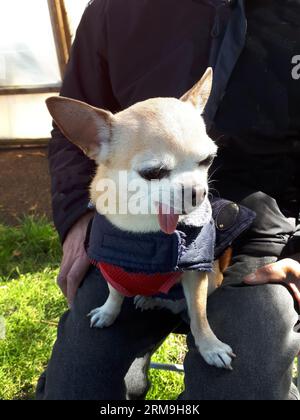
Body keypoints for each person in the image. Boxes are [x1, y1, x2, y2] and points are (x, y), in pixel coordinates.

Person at [36, 0, 300, 400]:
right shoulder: (115, 10)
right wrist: (76, 216)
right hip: (127, 225)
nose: (193, 192)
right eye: (155, 169)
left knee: (245, 389)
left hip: (257, 234)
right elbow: (72, 134)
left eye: (205, 159)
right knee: (75, 387)